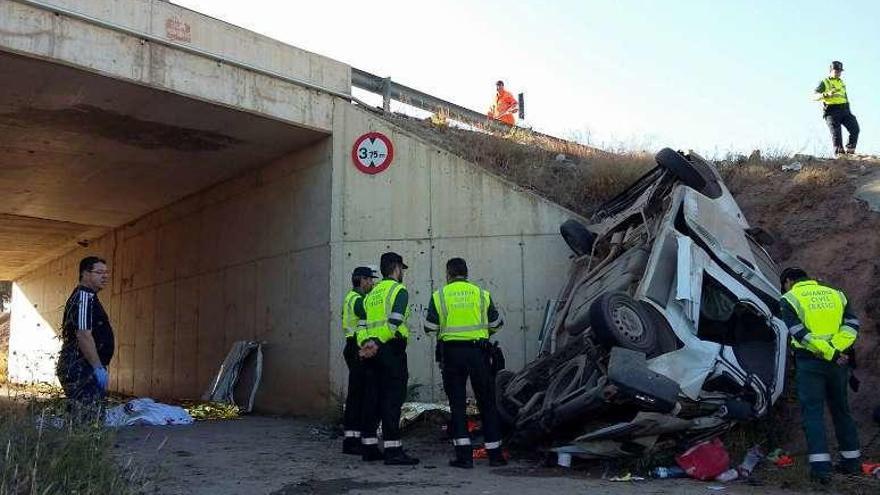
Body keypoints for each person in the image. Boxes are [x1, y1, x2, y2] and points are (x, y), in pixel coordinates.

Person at [779, 267, 861, 484]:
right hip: (838, 364)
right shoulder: (836, 293)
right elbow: (852, 325)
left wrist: (828, 352)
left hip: (811, 363)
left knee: (813, 414)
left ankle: (821, 471)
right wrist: (836, 349)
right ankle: (852, 463)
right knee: (842, 411)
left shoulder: (790, 298)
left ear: (788, 281)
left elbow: (800, 333)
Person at [424, 258, 506, 468]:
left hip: (452, 354)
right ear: (466, 273)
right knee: (487, 401)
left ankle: (464, 456)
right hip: (478, 352)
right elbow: (496, 324)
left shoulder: (439, 295)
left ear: (448, 274)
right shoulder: (481, 294)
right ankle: (495, 455)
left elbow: (429, 328)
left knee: (457, 404)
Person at [356, 252, 419, 465]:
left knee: (372, 399)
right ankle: (393, 451)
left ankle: (369, 448)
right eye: (402, 269)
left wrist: (365, 346)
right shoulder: (398, 290)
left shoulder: (371, 294)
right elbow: (394, 323)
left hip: (371, 353)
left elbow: (361, 326)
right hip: (390, 351)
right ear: (397, 268)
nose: (402, 273)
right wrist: (377, 344)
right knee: (392, 400)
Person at [55, 256, 114, 420]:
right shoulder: (84, 298)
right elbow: (83, 334)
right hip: (80, 367)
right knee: (87, 419)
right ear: (85, 274)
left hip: (85, 367)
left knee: (88, 417)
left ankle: (85, 445)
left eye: (106, 273)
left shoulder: (90, 298)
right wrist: (97, 367)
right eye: (99, 272)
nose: (105, 276)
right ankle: (84, 446)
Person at [340, 266, 378, 455]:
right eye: (370, 280)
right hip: (357, 347)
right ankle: (353, 440)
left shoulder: (350, 297)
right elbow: (370, 314)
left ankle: (352, 438)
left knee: (357, 394)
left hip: (352, 347)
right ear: (362, 280)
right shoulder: (358, 300)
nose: (372, 283)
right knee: (359, 395)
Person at [813, 61, 859, 156]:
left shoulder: (841, 82)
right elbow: (814, 96)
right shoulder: (825, 82)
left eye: (840, 71)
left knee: (855, 128)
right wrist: (826, 94)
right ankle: (840, 155)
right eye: (836, 70)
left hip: (845, 110)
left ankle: (850, 152)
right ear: (831, 70)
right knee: (837, 134)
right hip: (832, 111)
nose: (838, 72)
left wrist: (848, 110)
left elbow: (844, 97)